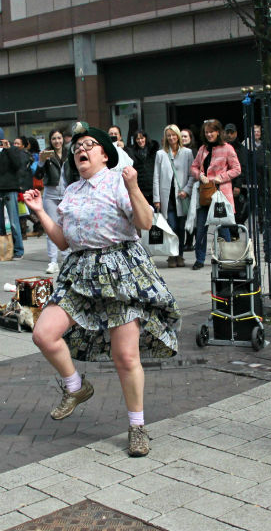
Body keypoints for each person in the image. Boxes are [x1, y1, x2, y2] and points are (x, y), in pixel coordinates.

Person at [23, 122, 179, 458]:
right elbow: (64, 241)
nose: (81, 149)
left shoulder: (119, 180)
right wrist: (39, 212)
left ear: (105, 155)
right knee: (43, 334)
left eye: (89, 144)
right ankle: (76, 387)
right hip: (80, 272)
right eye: (77, 146)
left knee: (125, 356)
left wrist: (135, 187)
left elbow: (146, 223)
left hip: (120, 270)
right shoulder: (72, 192)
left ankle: (137, 426)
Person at [190, 119, 241, 270]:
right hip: (205, 193)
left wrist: (222, 177)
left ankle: (227, 257)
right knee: (200, 229)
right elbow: (193, 167)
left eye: (211, 132)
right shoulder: (203, 149)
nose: (209, 134)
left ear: (218, 132)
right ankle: (199, 259)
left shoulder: (227, 148)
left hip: (220, 194)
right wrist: (200, 175)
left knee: (223, 227)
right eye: (206, 132)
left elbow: (237, 169)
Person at [153, 124, 194, 268]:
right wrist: (156, 199)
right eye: (168, 135)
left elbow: (191, 175)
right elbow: (156, 177)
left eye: (173, 135)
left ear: (178, 136)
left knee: (181, 228)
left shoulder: (187, 153)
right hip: (167, 197)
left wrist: (187, 190)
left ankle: (180, 255)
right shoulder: (161, 154)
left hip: (181, 196)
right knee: (171, 227)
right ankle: (172, 255)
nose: (171, 138)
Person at [35, 129, 69, 273]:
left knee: (67, 228)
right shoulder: (47, 154)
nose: (57, 141)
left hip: (67, 194)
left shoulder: (69, 153)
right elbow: (38, 175)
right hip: (51, 195)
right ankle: (53, 261)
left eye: (59, 138)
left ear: (63, 139)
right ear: (51, 140)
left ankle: (67, 259)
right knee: (51, 228)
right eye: (54, 138)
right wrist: (41, 162)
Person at [0, 128, 25, 259]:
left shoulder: (12, 150)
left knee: (14, 221)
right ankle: (3, 250)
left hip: (10, 188)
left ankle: (18, 249)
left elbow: (17, 165)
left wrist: (8, 149)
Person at [223, 123, 249, 238]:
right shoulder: (221, 146)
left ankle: (233, 235)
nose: (229, 135)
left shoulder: (240, 148)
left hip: (234, 184)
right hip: (223, 184)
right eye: (227, 132)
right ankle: (226, 235)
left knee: (234, 212)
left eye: (231, 132)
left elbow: (242, 167)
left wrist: (238, 185)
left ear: (236, 133)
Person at [127, 130, 159, 206]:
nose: (140, 141)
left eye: (142, 138)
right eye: (137, 139)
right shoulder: (132, 152)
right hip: (141, 188)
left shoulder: (153, 151)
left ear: (146, 138)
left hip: (153, 188)